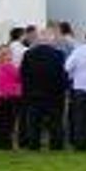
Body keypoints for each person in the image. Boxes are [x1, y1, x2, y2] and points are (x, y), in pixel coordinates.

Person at [22, 22, 72, 152]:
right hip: (54, 95)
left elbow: (24, 75)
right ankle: (56, 145)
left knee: (34, 122)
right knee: (55, 122)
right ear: (50, 39)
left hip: (34, 94)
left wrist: (26, 92)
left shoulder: (29, 54)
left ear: (38, 39)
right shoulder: (59, 54)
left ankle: (34, 145)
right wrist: (64, 89)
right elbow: (63, 75)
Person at [0, 25, 26, 150]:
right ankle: (7, 144)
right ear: (5, 55)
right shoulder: (8, 66)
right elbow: (19, 77)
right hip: (10, 97)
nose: (11, 55)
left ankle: (0, 144)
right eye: (10, 53)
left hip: (0, 97)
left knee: (2, 122)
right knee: (9, 123)